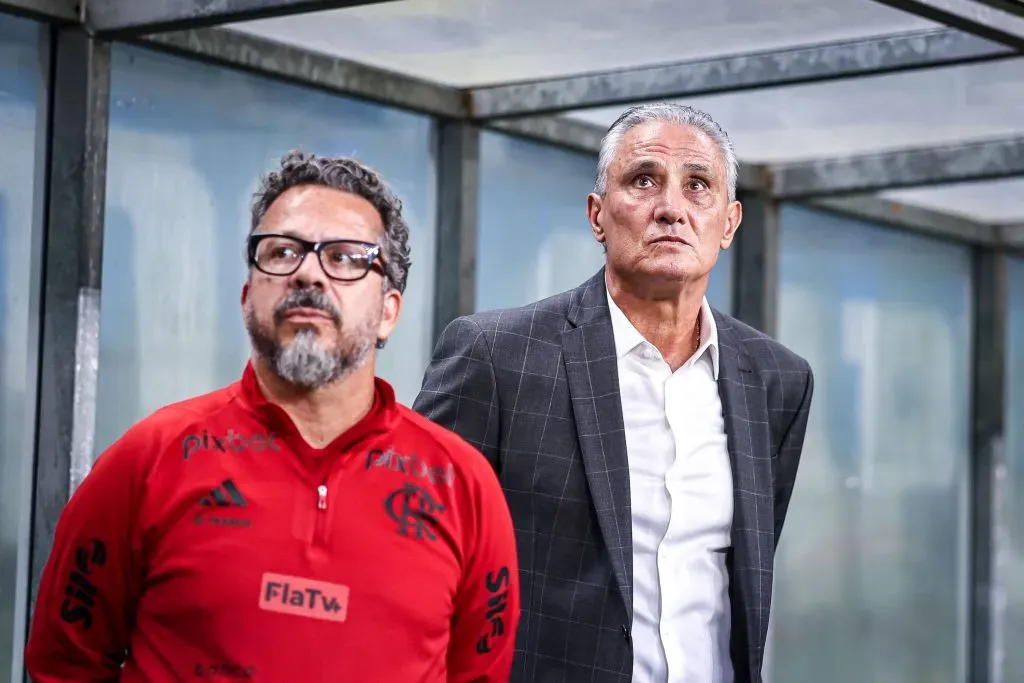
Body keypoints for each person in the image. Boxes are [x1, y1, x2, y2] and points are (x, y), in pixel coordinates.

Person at [25, 151, 519, 682]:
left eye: (347, 257)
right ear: (246, 298)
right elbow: (65, 664)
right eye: (281, 252)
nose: (307, 271)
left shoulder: (463, 486)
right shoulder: (148, 460)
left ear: (388, 311)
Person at [414, 103, 814, 683]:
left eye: (697, 186)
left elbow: (745, 579)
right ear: (597, 215)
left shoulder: (778, 380)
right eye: (643, 180)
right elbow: (416, 563)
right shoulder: (496, 356)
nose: (671, 208)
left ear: (728, 224)